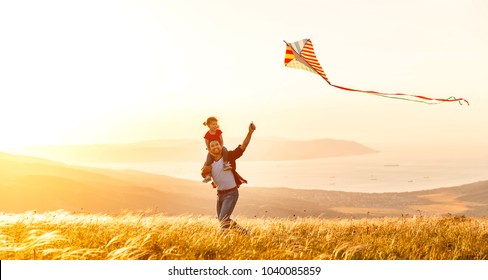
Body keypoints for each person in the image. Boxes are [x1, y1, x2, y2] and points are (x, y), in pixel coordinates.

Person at [201, 122, 256, 235]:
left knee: (224, 220)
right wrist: (205, 172)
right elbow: (203, 173)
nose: (215, 147)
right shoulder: (209, 162)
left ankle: (246, 233)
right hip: (219, 195)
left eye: (217, 144)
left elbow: (243, 147)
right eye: (212, 146)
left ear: (221, 145)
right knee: (223, 222)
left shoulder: (229, 156)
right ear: (209, 148)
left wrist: (250, 132)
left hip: (231, 193)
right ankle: (227, 242)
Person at [202, 117, 231, 183]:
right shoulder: (207, 135)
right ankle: (208, 176)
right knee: (208, 161)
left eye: (216, 124)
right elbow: (207, 145)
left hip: (220, 147)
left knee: (225, 150)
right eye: (213, 124)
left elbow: (222, 141)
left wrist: (221, 147)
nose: (215, 125)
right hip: (212, 150)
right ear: (209, 125)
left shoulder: (218, 131)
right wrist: (210, 152)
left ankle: (225, 164)